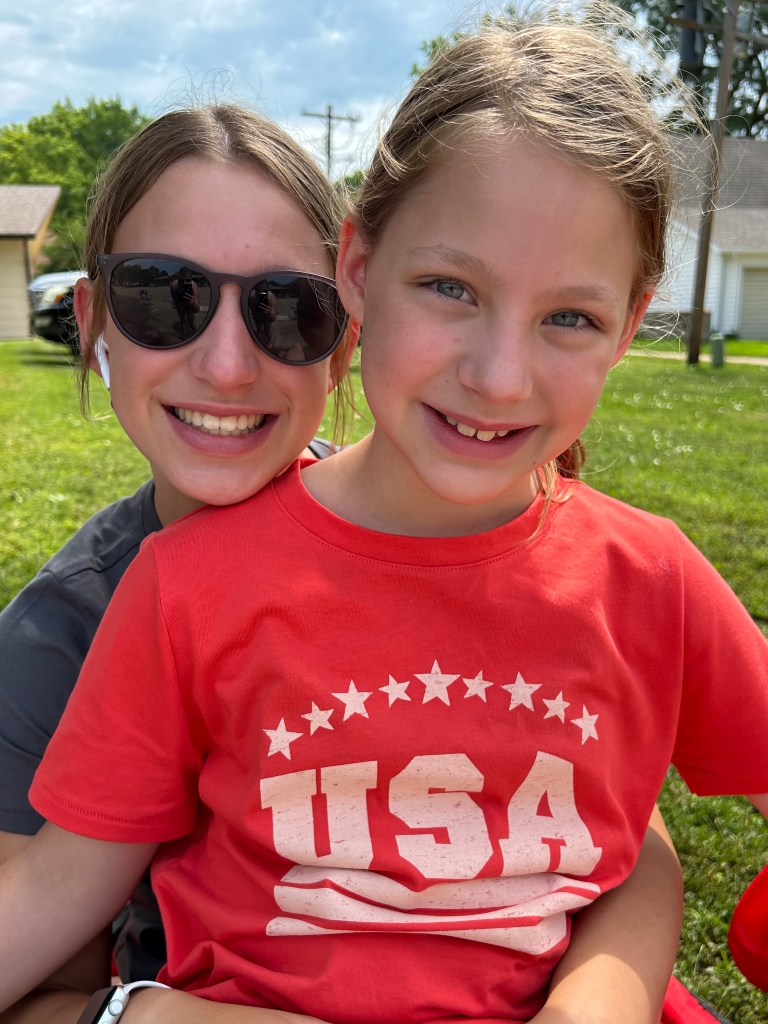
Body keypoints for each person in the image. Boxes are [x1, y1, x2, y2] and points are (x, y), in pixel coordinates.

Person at [2, 11, 762, 1024]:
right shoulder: (172, 588)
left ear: (630, 322)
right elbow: (57, 891)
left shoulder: (651, 578)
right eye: (451, 287)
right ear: (361, 270)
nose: (499, 377)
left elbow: (630, 838)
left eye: (568, 317)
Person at [0, 102, 355, 1022]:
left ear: (343, 343)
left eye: (287, 309)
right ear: (94, 321)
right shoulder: (55, 647)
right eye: (164, 296)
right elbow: (39, 981)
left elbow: (623, 835)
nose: (229, 366)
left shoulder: (442, 540)